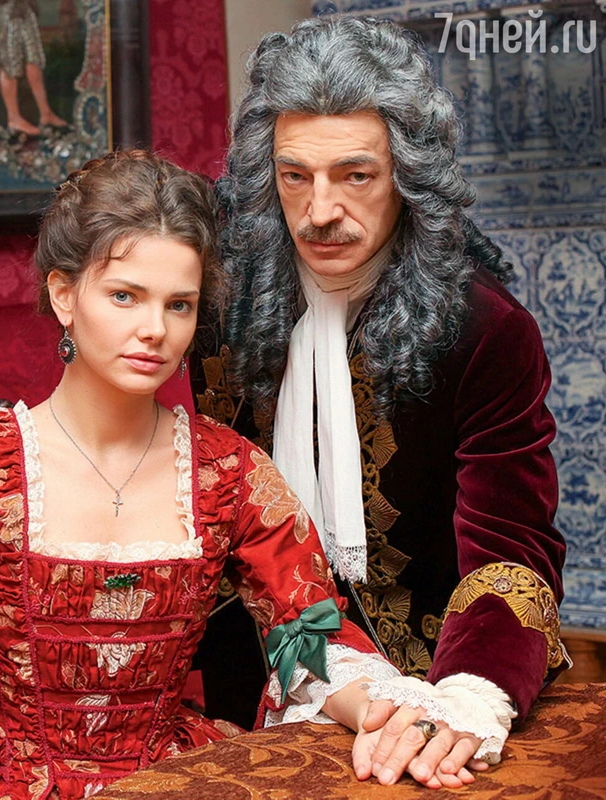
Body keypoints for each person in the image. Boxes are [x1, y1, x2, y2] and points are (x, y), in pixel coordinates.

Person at [0, 150, 467, 799]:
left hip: (171, 778)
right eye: (124, 296)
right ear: (64, 295)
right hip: (10, 778)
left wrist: (391, 716)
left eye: (179, 305)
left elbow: (312, 640)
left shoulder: (230, 474)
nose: (155, 330)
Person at [197, 15, 569, 790]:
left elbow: (511, 551)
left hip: (435, 689)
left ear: (408, 176)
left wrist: (468, 698)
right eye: (294, 176)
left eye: (355, 175)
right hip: (260, 684)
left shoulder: (485, 329)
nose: (319, 210)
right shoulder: (218, 308)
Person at [0, 0, 67, 136]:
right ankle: (14, 118)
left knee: (34, 58)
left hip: (24, 7)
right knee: (9, 61)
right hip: (4, 10)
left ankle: (45, 112)